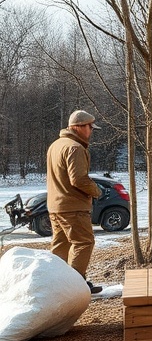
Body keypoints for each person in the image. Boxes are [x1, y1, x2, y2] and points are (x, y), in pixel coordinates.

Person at [46, 110, 104, 294]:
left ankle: (55, 285)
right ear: (78, 127)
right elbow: (78, 179)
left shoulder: (55, 145)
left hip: (56, 206)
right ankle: (75, 287)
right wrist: (96, 191)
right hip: (73, 207)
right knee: (83, 243)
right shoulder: (75, 148)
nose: (91, 131)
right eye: (89, 127)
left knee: (61, 245)